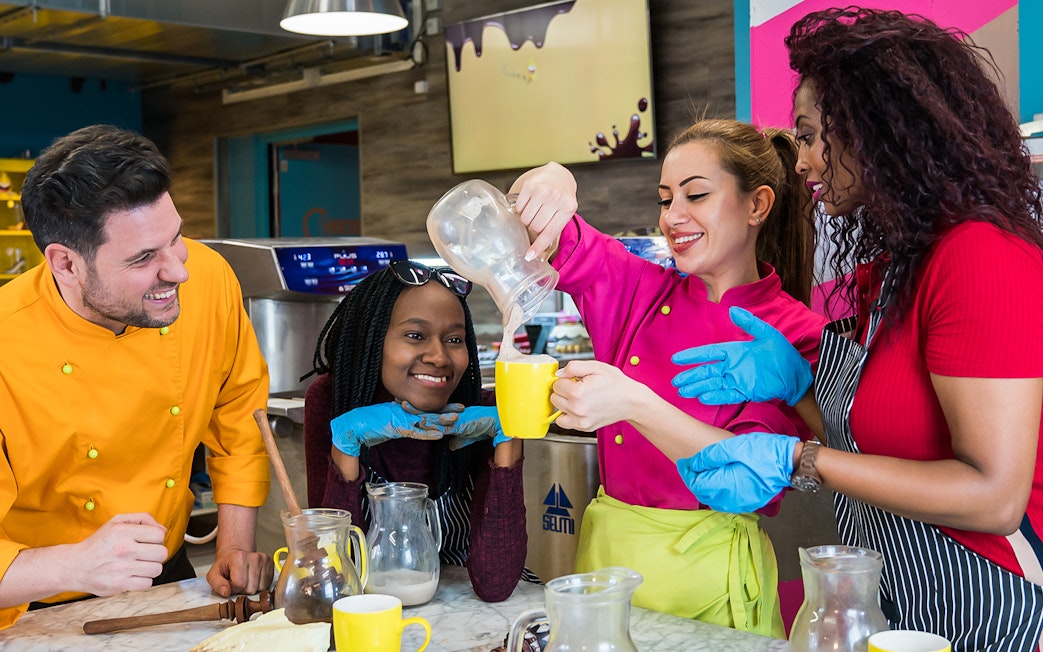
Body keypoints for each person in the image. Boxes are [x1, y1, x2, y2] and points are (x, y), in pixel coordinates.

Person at [672, 8, 1043, 651]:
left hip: (993, 610)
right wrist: (800, 393)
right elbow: (888, 445)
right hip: (904, 609)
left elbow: (994, 497)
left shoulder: (979, 257)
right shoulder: (895, 270)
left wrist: (797, 459)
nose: (803, 161)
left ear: (877, 131)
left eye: (813, 136)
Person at [505, 118, 828, 637]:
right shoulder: (638, 287)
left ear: (757, 205)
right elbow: (538, 228)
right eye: (665, 199)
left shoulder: (798, 333)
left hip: (706, 580)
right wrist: (551, 179)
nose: (673, 217)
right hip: (606, 562)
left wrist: (634, 403)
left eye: (695, 195)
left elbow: (751, 482)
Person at [0, 125, 273, 628]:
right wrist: (76, 564)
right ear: (65, 263)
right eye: (145, 258)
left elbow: (237, 416)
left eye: (176, 239)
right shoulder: (6, 344)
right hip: (33, 598)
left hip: (167, 575)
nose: (179, 271)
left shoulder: (211, 280)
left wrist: (234, 542)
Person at [303, 259, 526, 602]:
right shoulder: (333, 401)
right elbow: (334, 576)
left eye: (454, 339)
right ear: (373, 340)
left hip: (467, 610)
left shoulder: (487, 411)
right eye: (415, 335)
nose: (439, 356)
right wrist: (345, 445)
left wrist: (509, 433)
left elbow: (495, 583)